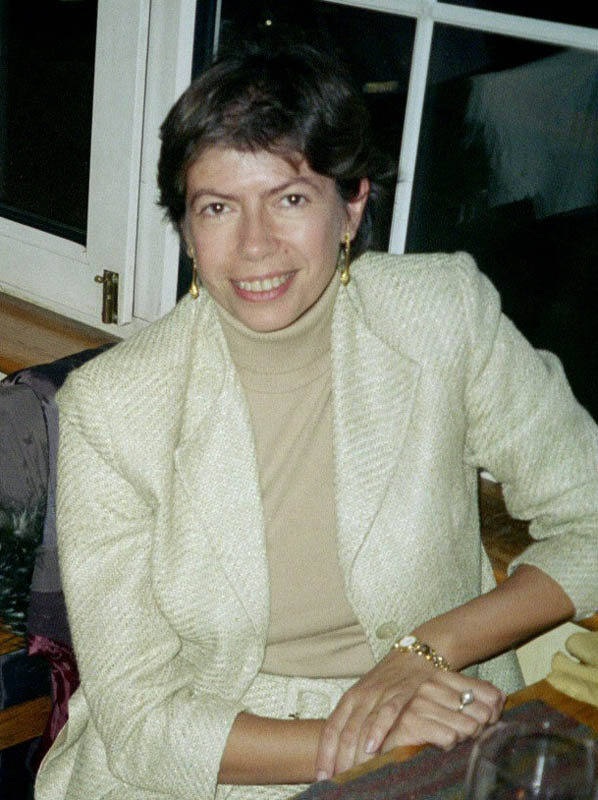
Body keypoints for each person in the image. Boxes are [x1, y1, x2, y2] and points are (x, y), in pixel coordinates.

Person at [34, 41, 598, 800]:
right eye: (217, 208)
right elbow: (142, 726)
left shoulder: (442, 315)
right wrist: (370, 736)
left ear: (352, 204)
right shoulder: (113, 410)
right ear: (188, 230)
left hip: (441, 715)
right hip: (213, 759)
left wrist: (427, 650)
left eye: (291, 199)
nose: (255, 245)